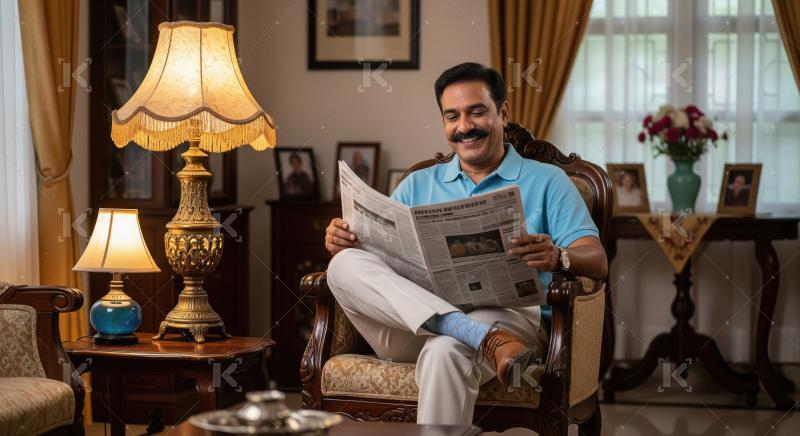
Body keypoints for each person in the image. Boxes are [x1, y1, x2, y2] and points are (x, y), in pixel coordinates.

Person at [323, 62, 607, 425]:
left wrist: (558, 256)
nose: (464, 127)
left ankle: (472, 334)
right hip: (412, 327)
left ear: (502, 112)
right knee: (342, 265)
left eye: (476, 112)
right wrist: (345, 241)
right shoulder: (417, 183)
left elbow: (597, 261)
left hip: (508, 320)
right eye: (451, 116)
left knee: (446, 351)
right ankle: (474, 334)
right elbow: (382, 263)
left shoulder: (549, 181)